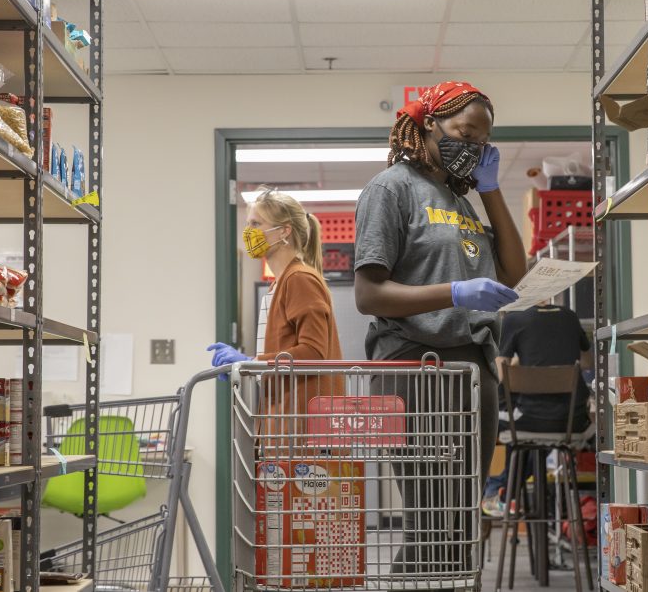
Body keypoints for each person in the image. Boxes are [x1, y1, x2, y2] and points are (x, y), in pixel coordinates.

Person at [353, 81, 526, 578]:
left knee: (461, 521)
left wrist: (491, 190)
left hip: (472, 368)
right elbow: (368, 295)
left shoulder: (461, 201)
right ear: (429, 124)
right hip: (415, 366)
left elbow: (513, 272)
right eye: (461, 131)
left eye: (480, 140)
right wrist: (454, 292)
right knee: (432, 521)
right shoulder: (392, 189)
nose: (470, 146)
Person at [209, 188, 344, 452]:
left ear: (284, 231)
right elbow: (284, 351)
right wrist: (249, 363)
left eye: (256, 224)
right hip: (285, 423)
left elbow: (314, 353)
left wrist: (252, 362)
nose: (249, 232)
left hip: (306, 430)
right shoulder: (278, 284)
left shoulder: (300, 279)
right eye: (248, 224)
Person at [482, 303, 593, 517]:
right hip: (569, 422)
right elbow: (586, 362)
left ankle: (501, 491)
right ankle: (503, 492)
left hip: (525, 421)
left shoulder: (513, 319)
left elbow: (501, 374)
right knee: (534, 440)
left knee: (516, 431)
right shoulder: (569, 316)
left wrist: (519, 366)